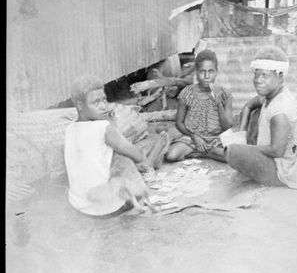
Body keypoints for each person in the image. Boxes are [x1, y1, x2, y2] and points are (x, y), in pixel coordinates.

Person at [64, 75, 160, 217]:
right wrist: (112, 123)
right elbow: (138, 156)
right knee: (128, 156)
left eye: (104, 99)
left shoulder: (70, 128)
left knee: (112, 155)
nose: (103, 106)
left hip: (78, 204)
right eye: (96, 102)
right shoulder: (103, 127)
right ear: (79, 105)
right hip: (105, 208)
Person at [226, 45, 297, 188]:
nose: (258, 80)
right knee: (255, 113)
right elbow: (249, 105)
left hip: (284, 171)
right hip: (277, 158)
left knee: (233, 151)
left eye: (265, 75)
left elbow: (277, 150)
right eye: (256, 74)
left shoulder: (280, 110)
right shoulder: (270, 94)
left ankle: (264, 176)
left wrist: (244, 147)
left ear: (280, 76)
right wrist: (242, 133)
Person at [165, 50, 233, 163]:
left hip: (216, 140)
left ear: (217, 72)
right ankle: (207, 152)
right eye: (202, 72)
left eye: (211, 71)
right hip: (192, 139)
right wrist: (195, 137)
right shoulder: (187, 93)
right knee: (171, 156)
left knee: (230, 157)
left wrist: (219, 103)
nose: (206, 76)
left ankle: (204, 151)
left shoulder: (225, 94)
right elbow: (179, 123)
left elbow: (227, 126)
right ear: (196, 73)